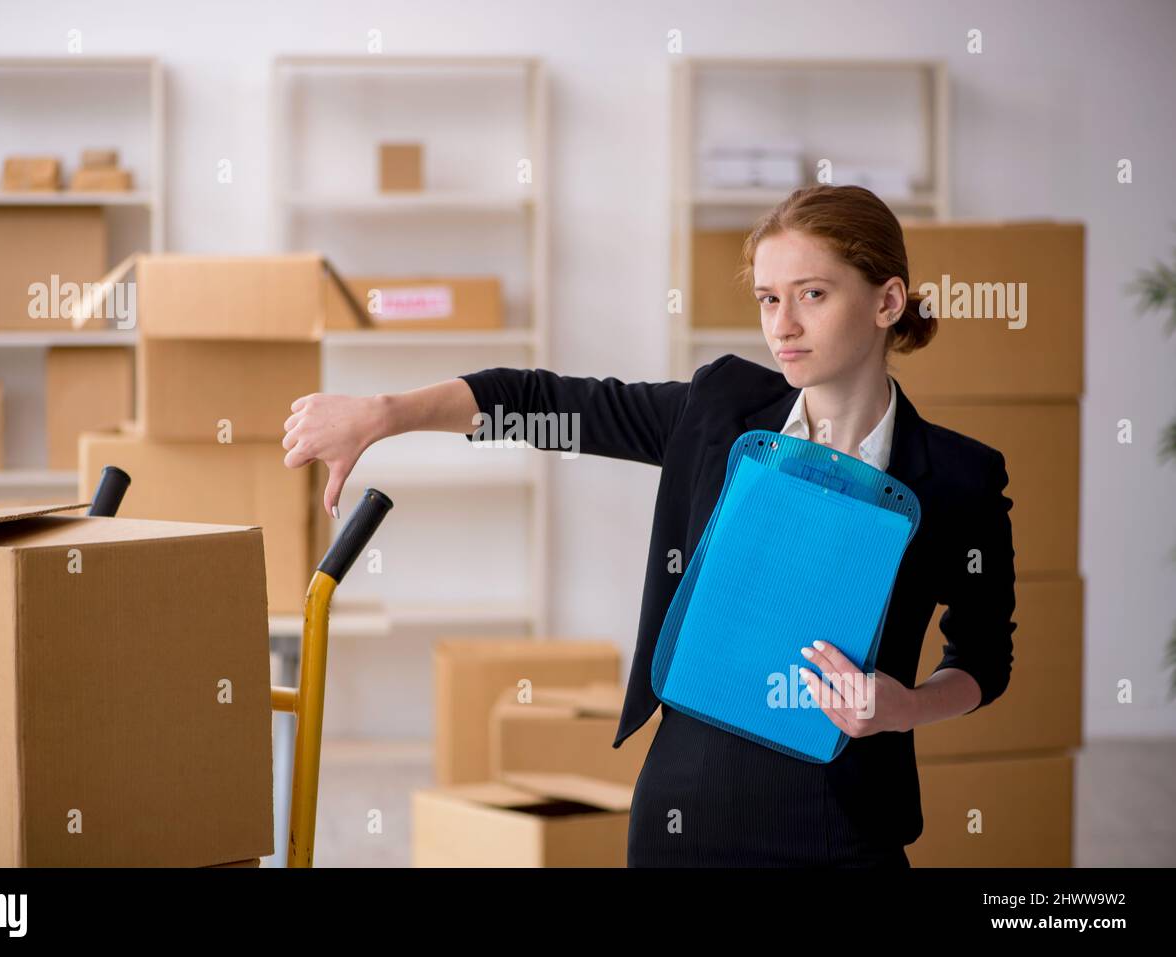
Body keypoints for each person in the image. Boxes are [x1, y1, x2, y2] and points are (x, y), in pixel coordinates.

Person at [281, 184, 1016, 868]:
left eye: (812, 295)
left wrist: (907, 706)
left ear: (887, 301)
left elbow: (985, 659)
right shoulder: (720, 410)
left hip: (847, 824)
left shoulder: (957, 478)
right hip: (688, 808)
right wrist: (384, 414)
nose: (782, 326)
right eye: (767, 299)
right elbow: (545, 404)